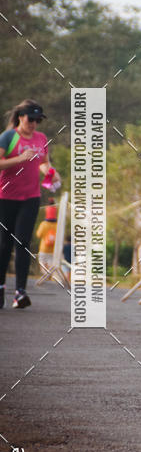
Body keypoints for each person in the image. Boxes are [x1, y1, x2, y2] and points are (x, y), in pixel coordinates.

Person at [0, 100, 61, 308]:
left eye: (38, 120)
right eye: (31, 119)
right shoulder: (9, 137)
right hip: (5, 197)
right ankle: (1, 288)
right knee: (4, 245)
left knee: (23, 244)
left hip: (30, 197)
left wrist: (51, 174)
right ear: (20, 117)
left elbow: (43, 162)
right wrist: (18, 159)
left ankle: (20, 293)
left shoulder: (41, 138)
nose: (34, 123)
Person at [36, 201, 58, 274]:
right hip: (53, 250)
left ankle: (45, 277)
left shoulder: (44, 224)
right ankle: (49, 278)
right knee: (51, 265)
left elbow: (38, 235)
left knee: (42, 264)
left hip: (44, 249)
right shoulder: (57, 225)